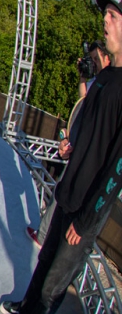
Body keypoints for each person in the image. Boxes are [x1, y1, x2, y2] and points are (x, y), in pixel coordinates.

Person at [0, 0, 122, 314]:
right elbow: (87, 127)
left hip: (86, 208)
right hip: (69, 191)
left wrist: (86, 221)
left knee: (54, 285)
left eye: (114, 17)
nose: (106, 22)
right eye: (106, 16)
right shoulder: (104, 79)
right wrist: (71, 144)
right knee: (44, 260)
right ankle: (23, 306)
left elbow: (116, 167)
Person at [26, 39, 112, 247]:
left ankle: (47, 237)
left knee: (64, 195)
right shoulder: (98, 82)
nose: (93, 64)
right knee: (61, 192)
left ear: (105, 56)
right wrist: (83, 75)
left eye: (95, 59)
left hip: (90, 160)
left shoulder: (110, 84)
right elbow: (83, 100)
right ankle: (46, 235)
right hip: (79, 150)